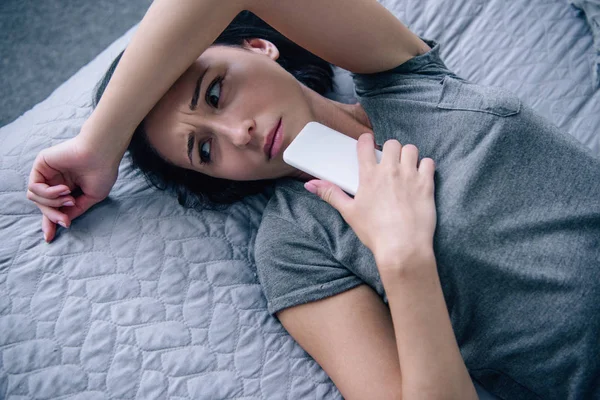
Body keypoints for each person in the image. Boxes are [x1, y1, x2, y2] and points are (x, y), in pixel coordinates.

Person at [26, 1, 600, 399]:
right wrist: (404, 260)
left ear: (259, 44)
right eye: (204, 149)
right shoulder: (293, 246)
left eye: (217, 92)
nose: (238, 135)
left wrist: (97, 145)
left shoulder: (404, 78)